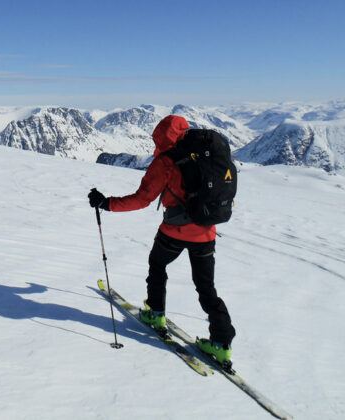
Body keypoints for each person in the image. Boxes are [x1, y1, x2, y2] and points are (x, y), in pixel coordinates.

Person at [88, 114, 236, 364]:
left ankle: (155, 313)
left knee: (158, 265)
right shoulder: (205, 155)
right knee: (206, 289)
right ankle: (221, 344)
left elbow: (142, 199)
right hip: (206, 232)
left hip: (174, 231)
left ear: (161, 135)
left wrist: (106, 203)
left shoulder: (165, 162)